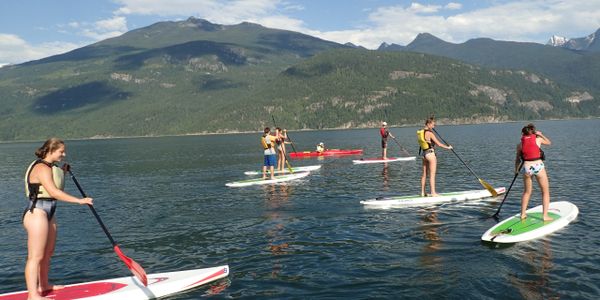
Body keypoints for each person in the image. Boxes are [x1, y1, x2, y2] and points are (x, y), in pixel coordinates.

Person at [22, 138, 93, 300]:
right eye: (61, 151)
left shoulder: (51, 167)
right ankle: (33, 295)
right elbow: (54, 192)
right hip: (37, 212)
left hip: (49, 212)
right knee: (35, 256)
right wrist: (80, 200)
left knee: (48, 253)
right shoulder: (41, 167)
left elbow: (54, 179)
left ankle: (44, 285)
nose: (64, 154)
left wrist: (64, 171)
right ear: (50, 151)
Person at [515, 123, 552, 221]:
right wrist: (540, 134)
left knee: (527, 192)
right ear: (533, 132)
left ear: (523, 134)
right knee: (545, 192)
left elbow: (518, 159)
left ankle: (523, 214)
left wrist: (516, 170)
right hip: (538, 166)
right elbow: (549, 142)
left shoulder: (520, 145)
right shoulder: (538, 139)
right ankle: (545, 216)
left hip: (527, 168)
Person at [417, 117, 452, 197]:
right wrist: (448, 147)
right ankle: (433, 193)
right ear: (428, 124)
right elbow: (439, 144)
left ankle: (422, 193)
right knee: (432, 175)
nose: (434, 126)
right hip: (430, 155)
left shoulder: (421, 132)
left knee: (424, 174)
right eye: (433, 125)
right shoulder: (430, 133)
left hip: (424, 155)